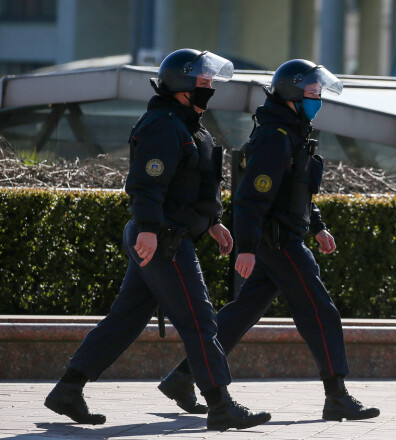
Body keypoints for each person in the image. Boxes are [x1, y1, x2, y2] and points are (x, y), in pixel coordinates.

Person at [44, 48, 271, 432]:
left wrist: (213, 222)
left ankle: (68, 389)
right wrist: (148, 227)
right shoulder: (164, 124)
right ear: (183, 85)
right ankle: (220, 404)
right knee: (200, 320)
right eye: (203, 83)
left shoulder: (187, 124)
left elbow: (192, 186)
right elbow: (147, 182)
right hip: (161, 238)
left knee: (126, 319)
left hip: (163, 234)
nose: (210, 88)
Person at [158, 59, 380, 422]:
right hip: (279, 243)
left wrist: (318, 226)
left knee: (244, 311)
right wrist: (246, 246)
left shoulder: (291, 133)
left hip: (284, 237)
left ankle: (182, 377)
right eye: (311, 94)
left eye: (318, 94)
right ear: (292, 94)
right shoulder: (274, 138)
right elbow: (250, 199)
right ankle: (336, 395)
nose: (317, 100)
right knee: (320, 312)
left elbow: (297, 193)